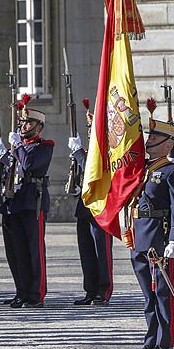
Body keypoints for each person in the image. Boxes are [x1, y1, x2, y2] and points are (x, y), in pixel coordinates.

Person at [131, 99, 174, 349]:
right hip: (140, 235)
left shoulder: (172, 171)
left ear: (167, 144)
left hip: (160, 236)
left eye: (153, 138)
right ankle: (151, 336)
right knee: (147, 295)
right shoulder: (140, 169)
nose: (148, 141)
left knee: (162, 291)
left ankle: (165, 341)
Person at [0, 94, 54, 308]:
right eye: (22, 122)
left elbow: (29, 164)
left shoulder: (44, 146)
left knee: (33, 250)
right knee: (15, 250)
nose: (23, 126)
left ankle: (36, 293)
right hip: (13, 202)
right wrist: (2, 156)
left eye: (28, 122)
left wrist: (16, 147)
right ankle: (21, 291)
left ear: (39, 126)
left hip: (32, 203)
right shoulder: (16, 148)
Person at [68, 101, 113, 306]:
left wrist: (79, 155)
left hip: (100, 207)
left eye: (92, 127)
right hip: (84, 207)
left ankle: (103, 289)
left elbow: (93, 172)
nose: (89, 132)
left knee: (101, 250)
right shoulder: (89, 151)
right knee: (86, 251)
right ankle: (90, 289)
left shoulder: (107, 151)